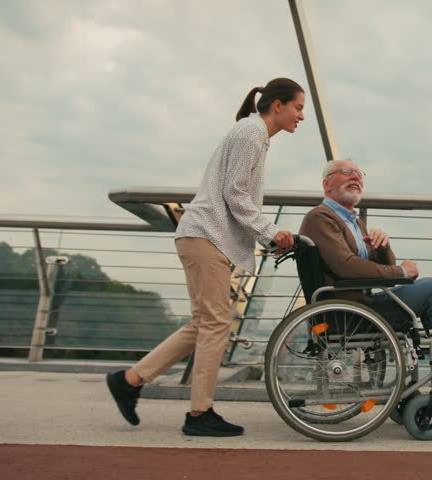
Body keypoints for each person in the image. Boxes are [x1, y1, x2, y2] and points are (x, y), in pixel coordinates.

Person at [106, 78, 305, 436]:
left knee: (202, 323)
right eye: (298, 107)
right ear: (278, 105)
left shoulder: (252, 133)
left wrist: (265, 233)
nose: (301, 116)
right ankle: (199, 414)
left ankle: (130, 380)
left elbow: (234, 195)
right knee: (215, 324)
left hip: (202, 236)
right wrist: (271, 231)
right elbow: (234, 193)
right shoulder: (250, 134)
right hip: (206, 237)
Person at [298, 158, 432, 414]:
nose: (356, 177)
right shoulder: (320, 218)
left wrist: (383, 247)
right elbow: (347, 268)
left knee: (431, 289)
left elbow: (375, 268)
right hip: (349, 314)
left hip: (360, 309)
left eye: (359, 174)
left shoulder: (353, 222)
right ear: (327, 184)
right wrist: (401, 271)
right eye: (347, 173)